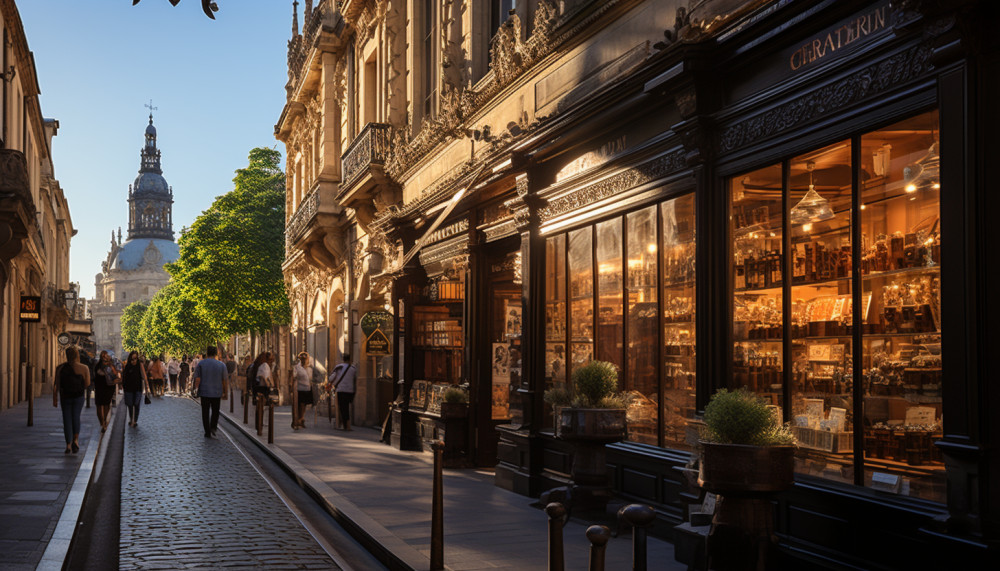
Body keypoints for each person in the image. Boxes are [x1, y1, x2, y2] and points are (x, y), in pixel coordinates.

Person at [53, 346, 91, 454]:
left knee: (66, 419)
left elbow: (57, 384)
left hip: (65, 397)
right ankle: (76, 440)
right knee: (76, 417)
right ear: (77, 355)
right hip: (78, 396)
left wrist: (56, 397)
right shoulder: (84, 368)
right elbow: (87, 384)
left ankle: (68, 445)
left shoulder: (60, 368)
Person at [192, 345, 229, 438]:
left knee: (205, 412)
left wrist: (195, 389)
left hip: (204, 392)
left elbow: (196, 378)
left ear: (207, 353)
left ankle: (207, 432)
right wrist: (226, 392)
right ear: (216, 353)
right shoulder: (221, 365)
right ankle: (213, 427)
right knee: (215, 411)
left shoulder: (201, 364)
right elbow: (225, 380)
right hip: (217, 392)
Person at [92, 350, 120, 433]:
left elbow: (115, 375)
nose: (105, 357)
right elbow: (96, 375)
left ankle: (104, 421)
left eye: (106, 356)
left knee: (106, 404)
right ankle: (102, 423)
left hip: (108, 387)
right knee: (99, 405)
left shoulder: (111, 365)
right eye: (103, 356)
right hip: (100, 387)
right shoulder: (98, 365)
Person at [121, 351, 150, 427]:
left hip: (138, 388)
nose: (134, 360)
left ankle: (135, 421)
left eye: (135, 358)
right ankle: (131, 420)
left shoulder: (140, 365)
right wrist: (123, 386)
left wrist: (147, 386)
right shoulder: (127, 366)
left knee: (136, 404)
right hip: (128, 388)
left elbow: (144, 375)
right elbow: (124, 377)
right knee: (130, 405)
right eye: (132, 359)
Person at [329, 353, 357, 431]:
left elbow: (331, 378)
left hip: (341, 390)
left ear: (343, 359)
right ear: (350, 360)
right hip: (350, 391)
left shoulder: (339, 367)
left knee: (343, 408)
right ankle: (346, 425)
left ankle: (345, 425)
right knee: (347, 407)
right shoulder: (353, 368)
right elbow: (355, 379)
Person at [292, 352, 314, 429]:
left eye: (305, 359)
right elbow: (294, 377)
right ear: (300, 359)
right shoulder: (297, 367)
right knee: (300, 404)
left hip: (307, 388)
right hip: (300, 388)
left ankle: (301, 418)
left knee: (304, 405)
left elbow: (311, 378)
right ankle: (299, 419)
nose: (304, 360)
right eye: (302, 359)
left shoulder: (310, 368)